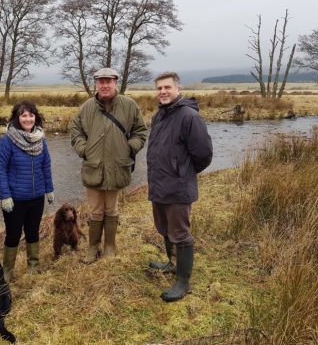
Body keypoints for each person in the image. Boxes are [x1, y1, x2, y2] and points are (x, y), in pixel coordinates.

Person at [69, 67, 147, 263]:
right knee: (95, 211)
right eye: (101, 81)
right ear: (96, 84)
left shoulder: (129, 105)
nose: (104, 85)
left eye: (108, 81)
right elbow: (75, 130)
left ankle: (110, 247)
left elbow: (141, 131)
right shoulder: (86, 107)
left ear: (115, 83)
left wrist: (130, 147)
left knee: (111, 210)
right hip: (93, 168)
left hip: (117, 168)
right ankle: (92, 248)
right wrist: (83, 149)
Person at [147, 72, 213, 302]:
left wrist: (182, 173)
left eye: (167, 87)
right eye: (159, 88)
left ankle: (183, 282)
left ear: (178, 88)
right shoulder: (160, 115)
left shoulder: (189, 116)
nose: (162, 92)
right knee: (164, 229)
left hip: (177, 188)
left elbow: (203, 154)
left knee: (181, 235)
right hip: (159, 186)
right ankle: (171, 263)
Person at [0, 101, 54, 282]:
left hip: (36, 198)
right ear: (17, 118)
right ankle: (7, 272)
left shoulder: (40, 139)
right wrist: (5, 196)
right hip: (15, 199)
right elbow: (0, 170)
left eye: (31, 115)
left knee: (33, 231)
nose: (28, 119)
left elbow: (46, 166)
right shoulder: (7, 141)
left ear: (36, 117)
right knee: (13, 234)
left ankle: (33, 267)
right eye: (23, 115)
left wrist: (49, 189)